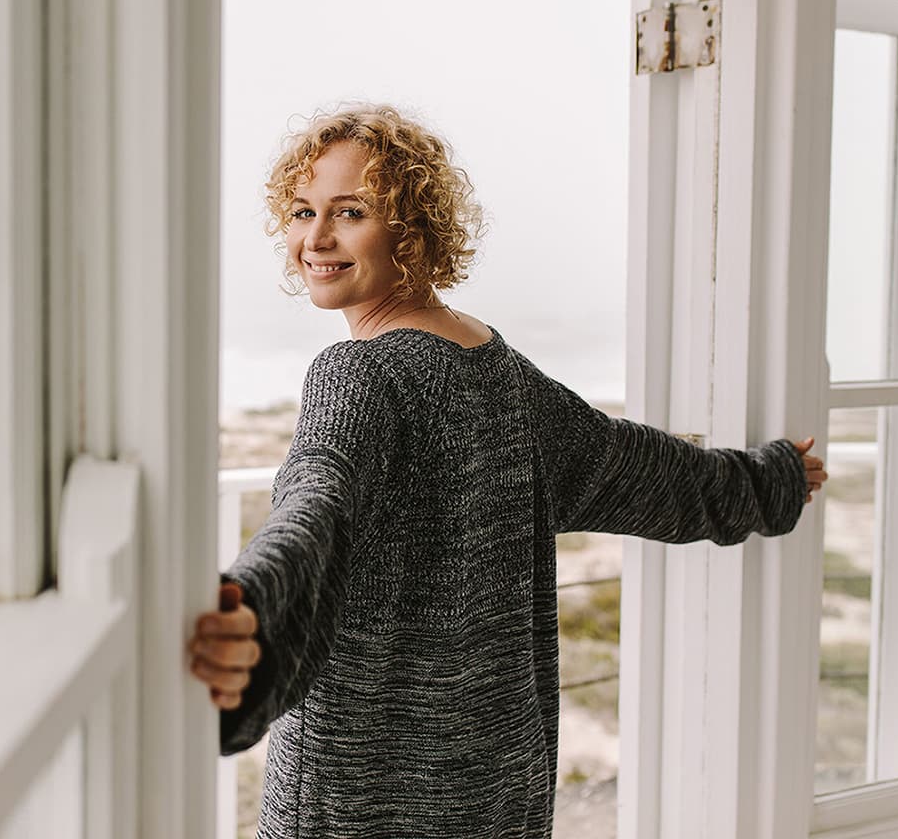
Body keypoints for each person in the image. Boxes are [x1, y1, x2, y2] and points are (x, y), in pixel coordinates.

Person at [185, 103, 827, 837]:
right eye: (302, 211)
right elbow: (642, 469)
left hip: (368, 797)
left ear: (411, 227)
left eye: (350, 211)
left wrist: (252, 615)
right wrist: (768, 481)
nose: (315, 238)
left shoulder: (356, 373)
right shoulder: (499, 366)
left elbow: (314, 503)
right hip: (497, 783)